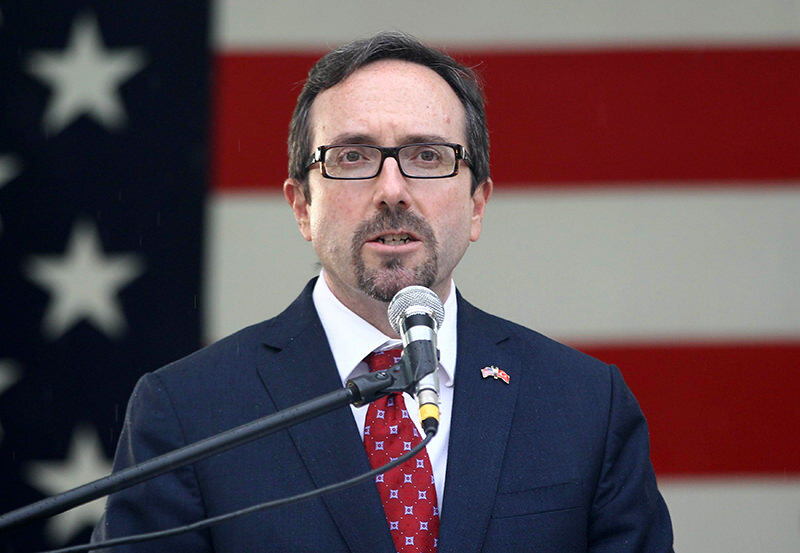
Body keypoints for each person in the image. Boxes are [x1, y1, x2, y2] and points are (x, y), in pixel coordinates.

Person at [93, 32, 673, 552]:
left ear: (477, 205)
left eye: (427, 155)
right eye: (353, 156)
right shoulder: (189, 412)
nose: (391, 190)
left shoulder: (585, 405)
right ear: (301, 206)